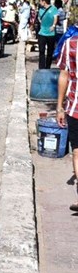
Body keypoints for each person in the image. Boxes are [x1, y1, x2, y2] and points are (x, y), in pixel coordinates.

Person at [56, 31, 78, 210]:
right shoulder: (70, 44)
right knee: (77, 151)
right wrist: (59, 106)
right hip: (74, 107)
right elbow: (64, 74)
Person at [37, 0, 60, 69]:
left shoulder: (54, 9)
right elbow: (39, 19)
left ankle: (48, 67)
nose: (40, 2)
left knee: (50, 51)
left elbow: (55, 17)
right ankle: (41, 67)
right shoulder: (40, 10)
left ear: (44, 2)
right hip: (42, 33)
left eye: (40, 1)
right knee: (41, 51)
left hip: (51, 33)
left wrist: (53, 25)